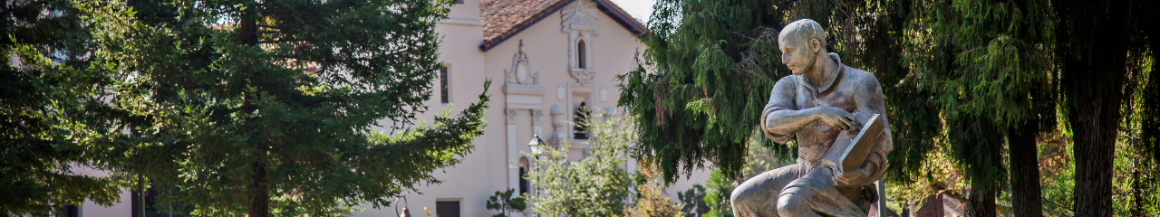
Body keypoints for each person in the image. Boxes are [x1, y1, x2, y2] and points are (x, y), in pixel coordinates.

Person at [729, 19, 893, 217]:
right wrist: (819, 113)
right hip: (804, 170)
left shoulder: (860, 82)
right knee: (742, 199)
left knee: (791, 203)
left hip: (841, 178)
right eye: (782, 51)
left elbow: (882, 139)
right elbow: (772, 120)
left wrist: (863, 173)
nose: (783, 59)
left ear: (814, 45)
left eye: (790, 50)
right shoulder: (789, 85)